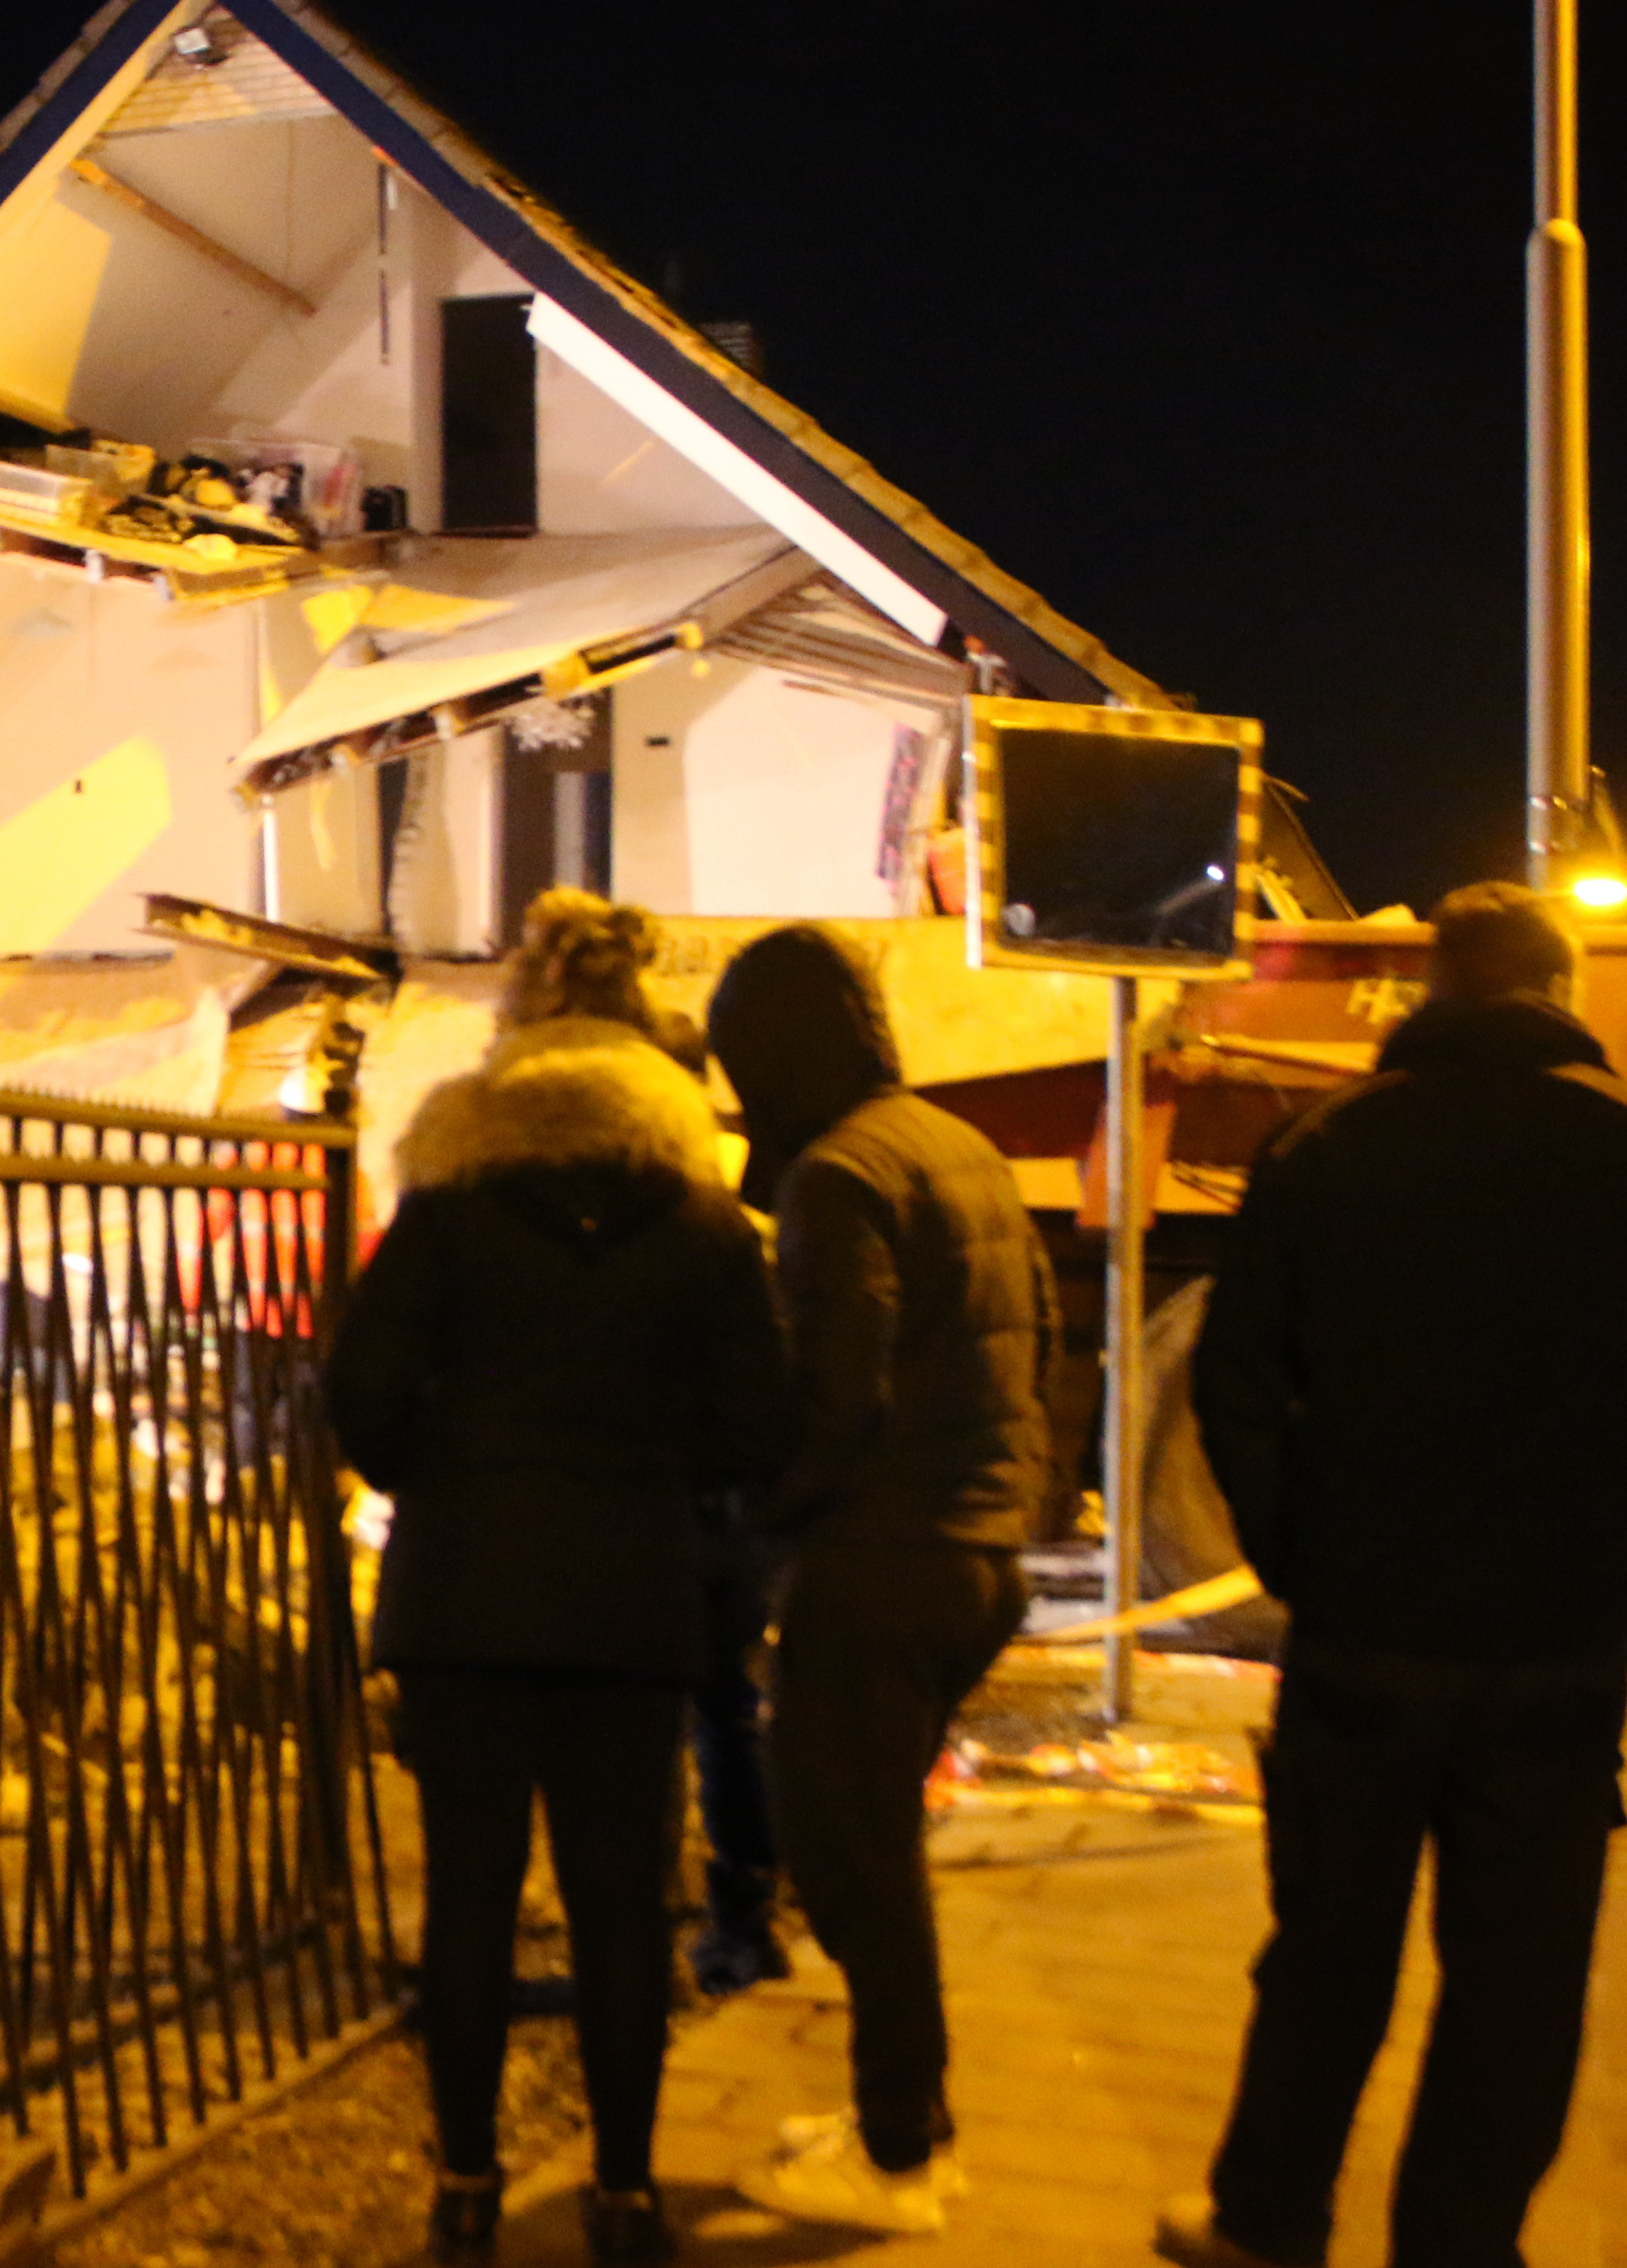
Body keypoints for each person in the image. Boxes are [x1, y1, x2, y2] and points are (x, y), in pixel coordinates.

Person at [1158, 886, 1627, 2268]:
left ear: (1432, 986)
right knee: (1518, 1975)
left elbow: (1235, 1382)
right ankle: (1458, 2240)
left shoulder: (1322, 1144)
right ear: (1559, 986)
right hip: (1552, 1638)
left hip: (1361, 1623)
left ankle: (1265, 2217)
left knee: (1322, 1949)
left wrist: (1296, 1548)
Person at [335, 1016, 800, 2262]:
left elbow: (359, 1393)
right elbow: (759, 1422)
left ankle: (467, 2183)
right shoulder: (701, 1229)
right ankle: (624, 2189)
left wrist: (444, 1470)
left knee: (469, 1896)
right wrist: (650, 1473)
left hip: (464, 1598)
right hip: (626, 1604)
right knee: (618, 1900)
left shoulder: (448, 1210)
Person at [704, 923, 1058, 2235]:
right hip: (969, 1544)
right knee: (874, 1849)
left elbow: (833, 1394)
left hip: (876, 1557)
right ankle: (899, 2111)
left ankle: (898, 2153)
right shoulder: (947, 1140)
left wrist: (757, 1515)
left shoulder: (837, 1177)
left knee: (848, 1861)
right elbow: (1045, 1334)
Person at [417, 888, 790, 2000]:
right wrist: (704, 1483)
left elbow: (376, 1377)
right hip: (663, 1537)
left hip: (499, 1551)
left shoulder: (460, 1184)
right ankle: (706, 1931)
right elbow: (754, 1392)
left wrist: (440, 1482)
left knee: (486, 1847)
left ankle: (472, 2146)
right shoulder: (706, 1196)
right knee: (691, 1740)